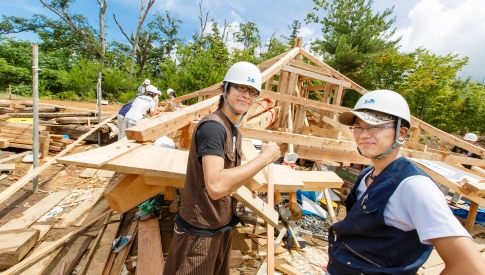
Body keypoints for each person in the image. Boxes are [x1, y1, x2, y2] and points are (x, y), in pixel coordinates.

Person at [324, 90, 484, 275]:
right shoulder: (369, 173)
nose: (363, 135)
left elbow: (470, 268)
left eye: (374, 127)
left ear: (401, 133)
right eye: (358, 127)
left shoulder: (414, 187)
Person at [163, 62, 281, 275]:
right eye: (241, 87)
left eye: (252, 91)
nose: (247, 95)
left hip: (221, 227)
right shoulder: (213, 128)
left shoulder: (234, 131)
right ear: (224, 89)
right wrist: (265, 158)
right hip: (199, 234)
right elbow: (216, 185)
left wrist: (243, 183)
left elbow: (226, 173)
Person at [440, 132, 483, 204]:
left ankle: (454, 201)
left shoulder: (475, 150)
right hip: (455, 167)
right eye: (467, 140)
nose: (468, 142)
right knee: (446, 182)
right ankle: (440, 197)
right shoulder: (458, 146)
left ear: (474, 142)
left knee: (460, 186)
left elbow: (480, 161)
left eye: (470, 141)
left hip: (466, 170)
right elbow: (451, 153)